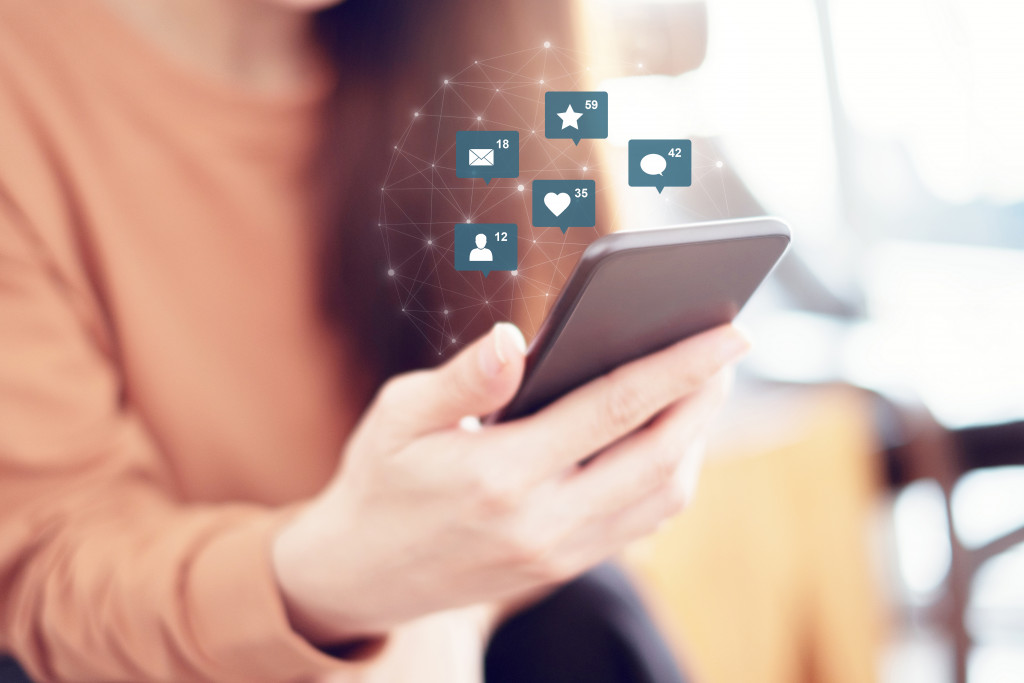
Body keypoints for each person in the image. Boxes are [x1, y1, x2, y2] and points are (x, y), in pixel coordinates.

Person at [0, 1, 747, 681]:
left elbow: (528, 449)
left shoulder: (488, 49)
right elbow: (44, 577)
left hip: (470, 624)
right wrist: (340, 580)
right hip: (165, 646)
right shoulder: (25, 80)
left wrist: (450, 604)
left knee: (587, 625)